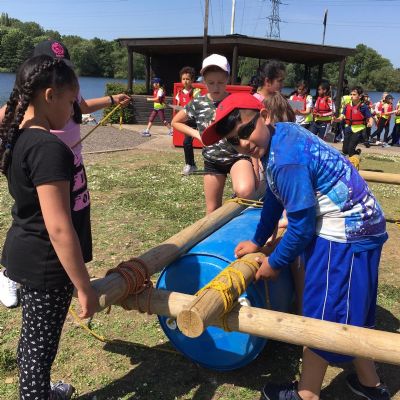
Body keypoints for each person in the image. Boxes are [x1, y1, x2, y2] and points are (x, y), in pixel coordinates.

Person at [201, 92, 390, 400]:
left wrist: (274, 264)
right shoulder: (280, 135)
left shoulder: (285, 160)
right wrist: (258, 241)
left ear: (263, 115)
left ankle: (307, 394)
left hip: (345, 233)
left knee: (321, 317)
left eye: (246, 131)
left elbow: (300, 227)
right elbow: (275, 197)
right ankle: (371, 385)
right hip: (362, 227)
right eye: (235, 142)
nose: (244, 143)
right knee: (347, 310)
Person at [0, 39, 131, 309]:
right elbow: (57, 227)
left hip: (67, 168)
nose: (72, 107)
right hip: (46, 168)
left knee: (69, 218)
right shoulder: (36, 138)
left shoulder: (65, 95)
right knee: (48, 220)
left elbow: (81, 107)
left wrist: (111, 99)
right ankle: (12, 275)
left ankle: (67, 269)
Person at [0, 55, 99, 400]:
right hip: (45, 263)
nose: (74, 111)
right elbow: (59, 228)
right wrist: (83, 287)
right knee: (39, 350)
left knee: (32, 343)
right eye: (71, 101)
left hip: (24, 255)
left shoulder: (18, 136)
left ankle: (38, 392)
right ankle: (37, 395)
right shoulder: (47, 148)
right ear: (49, 95)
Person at [172, 54, 259, 214]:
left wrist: (255, 165)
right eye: (211, 83)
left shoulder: (237, 102)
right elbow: (175, 122)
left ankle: (238, 213)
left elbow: (251, 135)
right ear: (203, 81)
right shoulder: (198, 103)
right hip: (212, 161)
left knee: (247, 192)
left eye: (221, 82)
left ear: (228, 79)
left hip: (237, 157)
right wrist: (198, 134)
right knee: (211, 211)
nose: (216, 87)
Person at [175, 66, 201, 175]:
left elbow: (198, 106)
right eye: (183, 79)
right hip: (186, 122)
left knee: (189, 142)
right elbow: (178, 107)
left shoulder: (196, 92)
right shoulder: (179, 93)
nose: (185, 81)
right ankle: (190, 165)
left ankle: (191, 165)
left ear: (192, 80)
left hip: (196, 120)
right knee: (187, 142)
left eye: (188, 79)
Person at [334, 86, 373, 157]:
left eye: (354, 94)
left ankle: (353, 159)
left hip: (358, 129)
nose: (352, 96)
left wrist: (370, 123)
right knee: (345, 150)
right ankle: (357, 152)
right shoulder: (347, 106)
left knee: (350, 150)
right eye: (351, 94)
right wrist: (336, 119)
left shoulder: (363, 107)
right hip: (348, 128)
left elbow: (370, 117)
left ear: (360, 96)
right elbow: (341, 117)